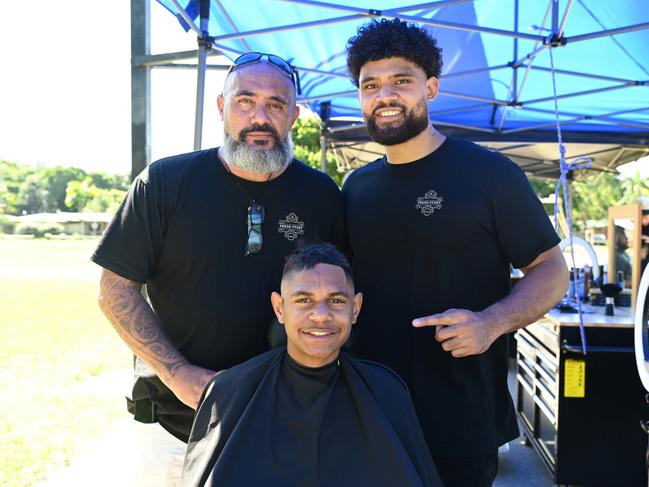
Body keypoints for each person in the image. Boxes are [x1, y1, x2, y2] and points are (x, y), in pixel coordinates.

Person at [92, 53, 345, 485]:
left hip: (284, 422)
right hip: (173, 424)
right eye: (245, 101)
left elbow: (340, 298)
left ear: (295, 116)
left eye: (276, 105)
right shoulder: (164, 183)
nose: (259, 117)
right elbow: (115, 290)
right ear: (221, 107)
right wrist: (178, 374)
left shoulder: (323, 195)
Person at [343, 19, 568, 487]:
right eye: (370, 85)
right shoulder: (354, 188)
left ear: (431, 87)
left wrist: (491, 323)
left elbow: (551, 270)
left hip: (462, 420)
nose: (385, 95)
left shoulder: (489, 173)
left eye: (400, 81)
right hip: (371, 416)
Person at [181, 243, 442, 487]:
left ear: (356, 308)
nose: (321, 315)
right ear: (280, 308)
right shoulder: (230, 391)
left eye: (336, 301)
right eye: (304, 300)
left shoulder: (387, 393)